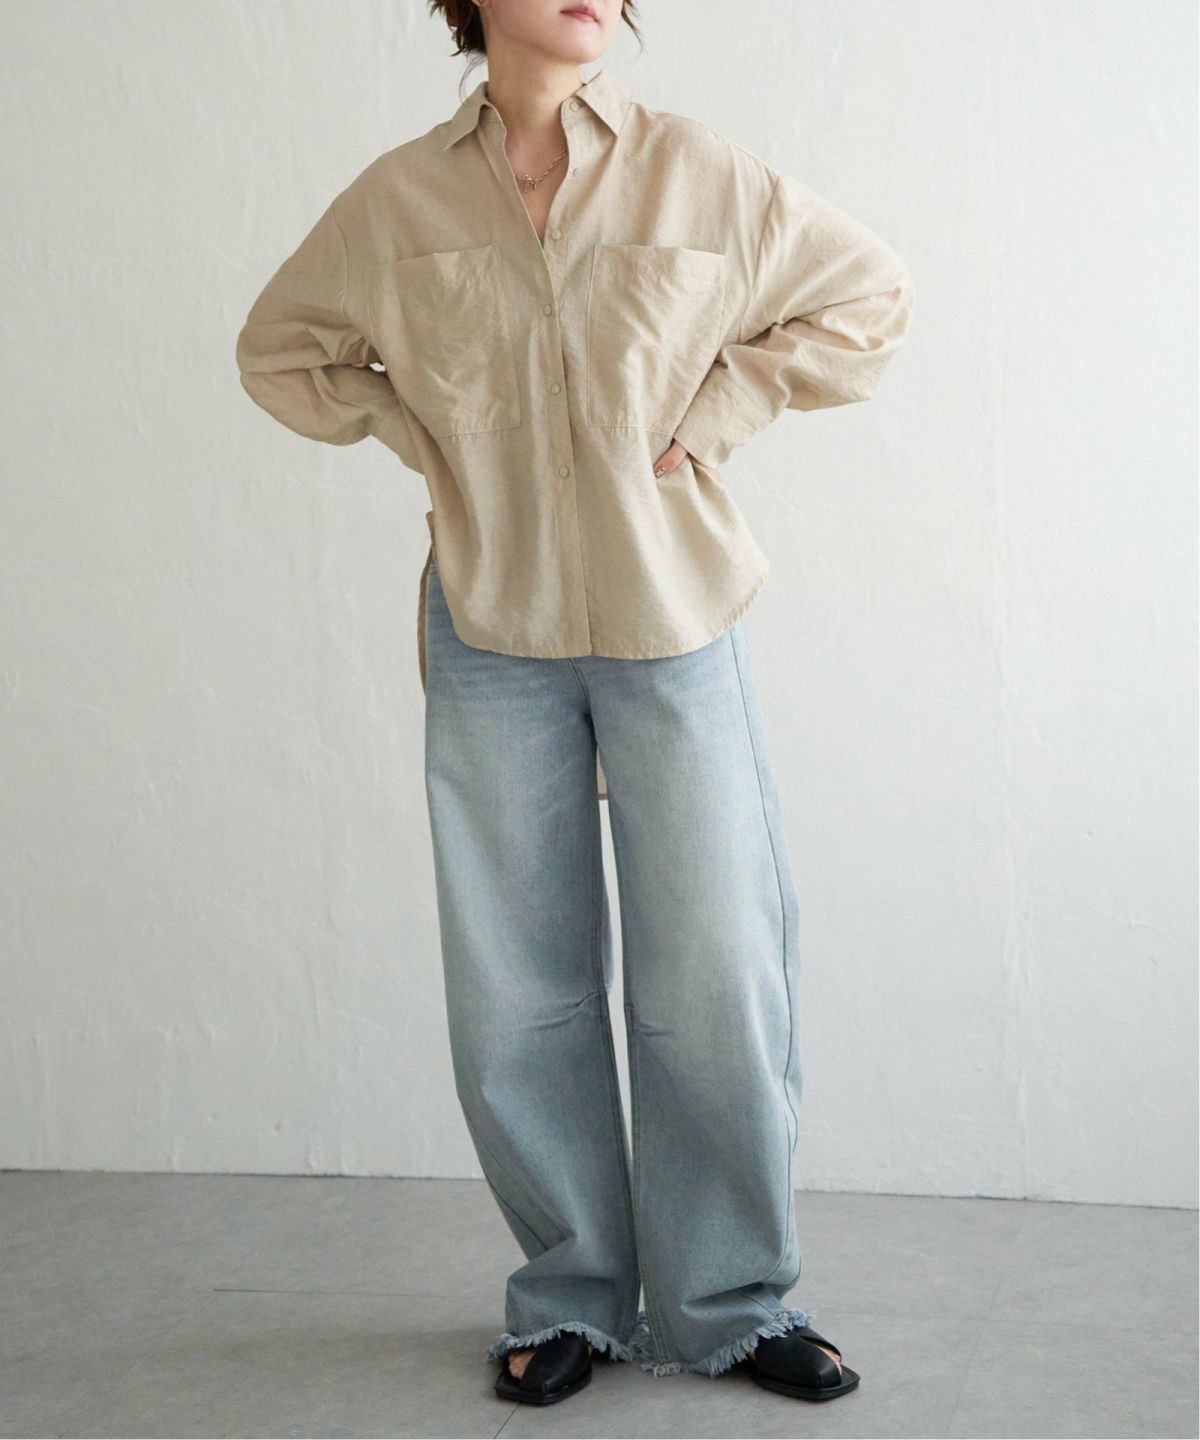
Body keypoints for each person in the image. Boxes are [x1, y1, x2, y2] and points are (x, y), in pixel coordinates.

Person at [235, 0, 915, 1408]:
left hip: (675, 621)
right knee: (518, 988)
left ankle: (732, 1304)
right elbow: (282, 351)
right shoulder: (398, 201)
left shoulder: (697, 173)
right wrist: (421, 434)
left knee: (716, 974)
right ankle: (571, 1298)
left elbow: (868, 300)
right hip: (493, 624)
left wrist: (716, 413)